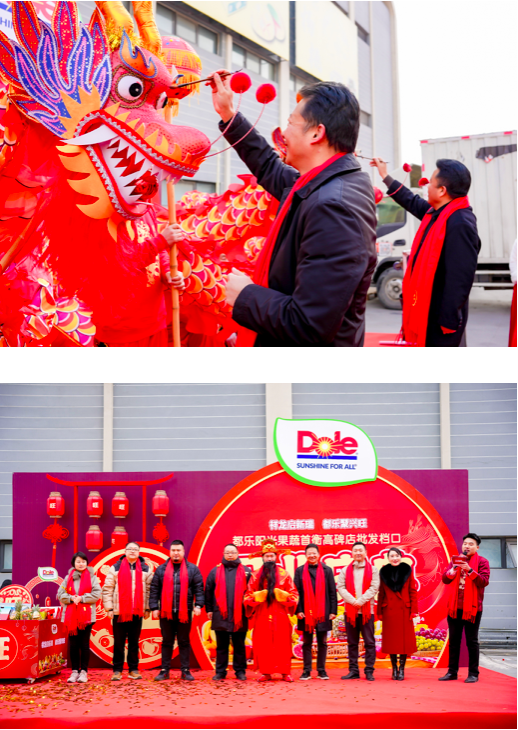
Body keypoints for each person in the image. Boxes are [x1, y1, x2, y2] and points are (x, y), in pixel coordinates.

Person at [208, 73, 377, 347]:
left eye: (290, 123)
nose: (283, 133)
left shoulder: (334, 206)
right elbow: (268, 165)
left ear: (316, 133)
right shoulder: (321, 184)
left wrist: (246, 295)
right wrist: (228, 114)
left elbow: (309, 324)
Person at [371, 157, 481, 346]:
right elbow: (411, 201)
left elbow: (460, 279)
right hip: (428, 308)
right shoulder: (438, 213)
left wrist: (448, 321)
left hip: (440, 319)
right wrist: (385, 175)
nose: (426, 186)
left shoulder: (460, 223)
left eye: (430, 182)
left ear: (442, 190)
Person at [244, 538, 299, 681]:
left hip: (280, 615)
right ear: (262, 558)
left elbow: (294, 595)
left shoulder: (284, 575)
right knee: (264, 644)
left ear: (276, 557)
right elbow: (247, 596)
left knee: (283, 643)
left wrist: (283, 597)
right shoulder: (255, 575)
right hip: (262, 614)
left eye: (272, 556)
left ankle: (285, 672)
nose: (269, 558)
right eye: (267, 556)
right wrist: (257, 597)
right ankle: (266, 672)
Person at [150, 539, 204, 681]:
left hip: (184, 612)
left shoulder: (193, 569)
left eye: (178, 550)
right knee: (167, 641)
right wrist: (154, 607)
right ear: (170, 552)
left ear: (183, 552)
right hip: (165, 612)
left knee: (184, 641)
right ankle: (164, 670)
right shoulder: (161, 569)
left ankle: (185, 671)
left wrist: (198, 605)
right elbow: (154, 589)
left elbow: (199, 589)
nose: (176, 553)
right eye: (173, 550)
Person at [439, 533, 490, 683]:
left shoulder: (482, 562)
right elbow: (445, 579)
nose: (467, 546)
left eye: (471, 544)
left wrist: (469, 570)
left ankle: (473, 673)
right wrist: (453, 569)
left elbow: (483, 581)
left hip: (472, 608)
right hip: (455, 607)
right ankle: (452, 672)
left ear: (477, 547)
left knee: (471, 641)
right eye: (465, 544)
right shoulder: (456, 560)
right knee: (454, 641)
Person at [102, 542, 153, 681]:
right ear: (125, 551)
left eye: (135, 549)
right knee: (118, 642)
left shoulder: (146, 569)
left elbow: (149, 590)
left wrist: (147, 608)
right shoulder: (115, 567)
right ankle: (117, 670)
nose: (132, 551)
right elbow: (107, 589)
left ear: (139, 552)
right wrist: (109, 608)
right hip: (119, 611)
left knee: (134, 642)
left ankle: (133, 670)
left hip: (137, 611)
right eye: (130, 549)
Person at [204, 543, 252, 681]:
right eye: (227, 552)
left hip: (240, 614)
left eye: (233, 552)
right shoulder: (215, 571)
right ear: (223, 554)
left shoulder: (246, 571)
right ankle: (220, 671)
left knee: (239, 645)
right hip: (220, 613)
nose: (230, 554)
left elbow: (251, 593)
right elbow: (208, 591)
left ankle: (240, 671)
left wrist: (250, 610)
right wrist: (209, 609)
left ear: (237, 554)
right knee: (221, 645)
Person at [293, 543, 337, 680]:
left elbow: (332, 591)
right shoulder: (300, 571)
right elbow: (296, 592)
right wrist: (298, 610)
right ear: (305, 555)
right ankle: (306, 670)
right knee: (307, 642)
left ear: (318, 554)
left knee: (322, 642)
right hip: (306, 612)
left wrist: (333, 611)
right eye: (309, 553)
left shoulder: (327, 570)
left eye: (314, 553)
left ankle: (321, 670)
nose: (312, 555)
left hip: (323, 611)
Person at [337, 541, 380, 681]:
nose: (358, 553)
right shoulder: (345, 570)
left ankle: (369, 671)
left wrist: (360, 601)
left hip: (367, 612)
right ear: (352, 553)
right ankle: (353, 670)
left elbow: (374, 587)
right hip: (350, 612)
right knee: (352, 643)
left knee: (369, 642)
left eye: (360, 550)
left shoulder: (373, 570)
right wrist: (353, 601)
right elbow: (341, 587)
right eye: (355, 550)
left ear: (365, 553)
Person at [57, 551, 102, 684]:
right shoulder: (68, 577)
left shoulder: (92, 577)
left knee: (84, 644)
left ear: (86, 563)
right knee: (73, 645)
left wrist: (82, 598)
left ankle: (84, 672)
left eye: (83, 561)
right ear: (73, 563)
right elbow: (60, 594)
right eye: (78, 562)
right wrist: (71, 598)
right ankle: (74, 671)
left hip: (86, 617)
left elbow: (97, 594)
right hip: (71, 616)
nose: (81, 564)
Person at [376, 547, 418, 681]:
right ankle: (394, 669)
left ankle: (402, 669)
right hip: (389, 610)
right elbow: (381, 592)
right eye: (392, 556)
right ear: (388, 558)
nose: (395, 558)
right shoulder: (384, 572)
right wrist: (379, 611)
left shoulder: (407, 570)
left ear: (401, 556)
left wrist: (414, 610)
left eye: (397, 555)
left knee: (403, 643)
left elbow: (412, 591)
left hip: (404, 610)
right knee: (392, 642)